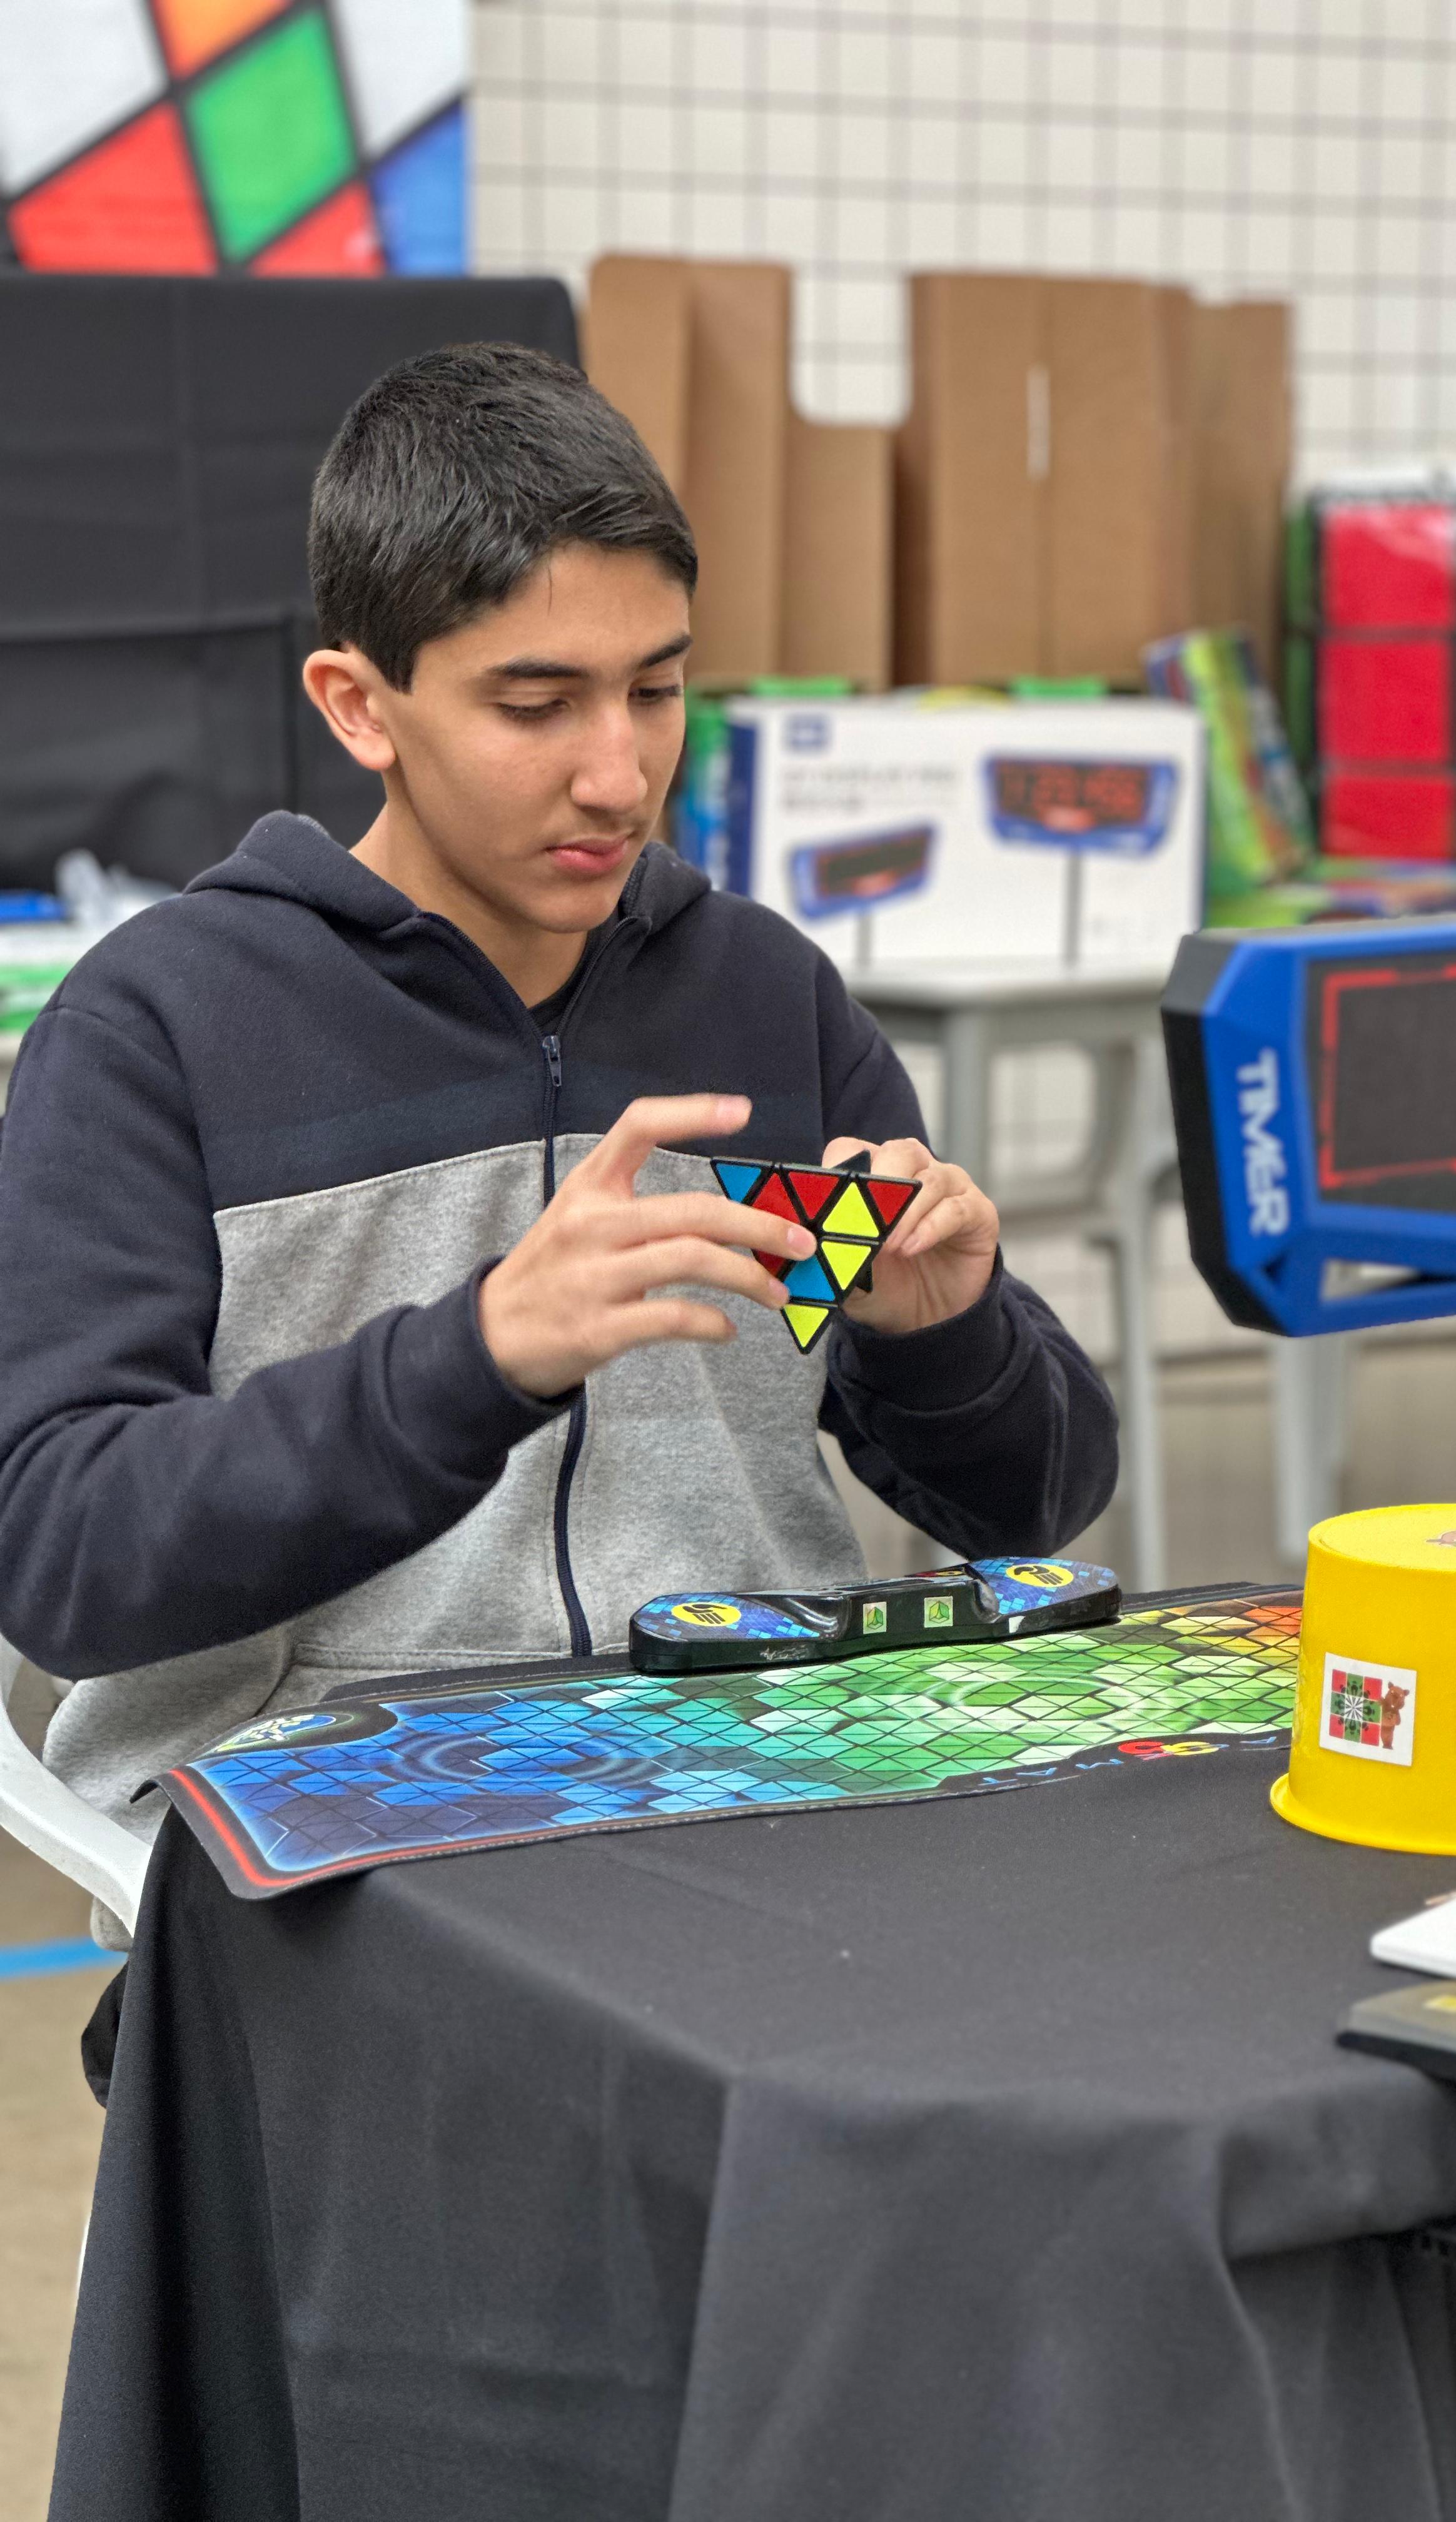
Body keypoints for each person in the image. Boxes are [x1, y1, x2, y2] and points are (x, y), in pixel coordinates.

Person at [0, 343, 1118, 1942]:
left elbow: (1035, 1507)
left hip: (757, 1800)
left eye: (656, 690)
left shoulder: (769, 1003)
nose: (620, 774)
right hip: (321, 1870)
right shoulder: (157, 1030)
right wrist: (474, 1361)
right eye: (536, 706)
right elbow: (61, 1556)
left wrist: (946, 1337)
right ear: (358, 708)